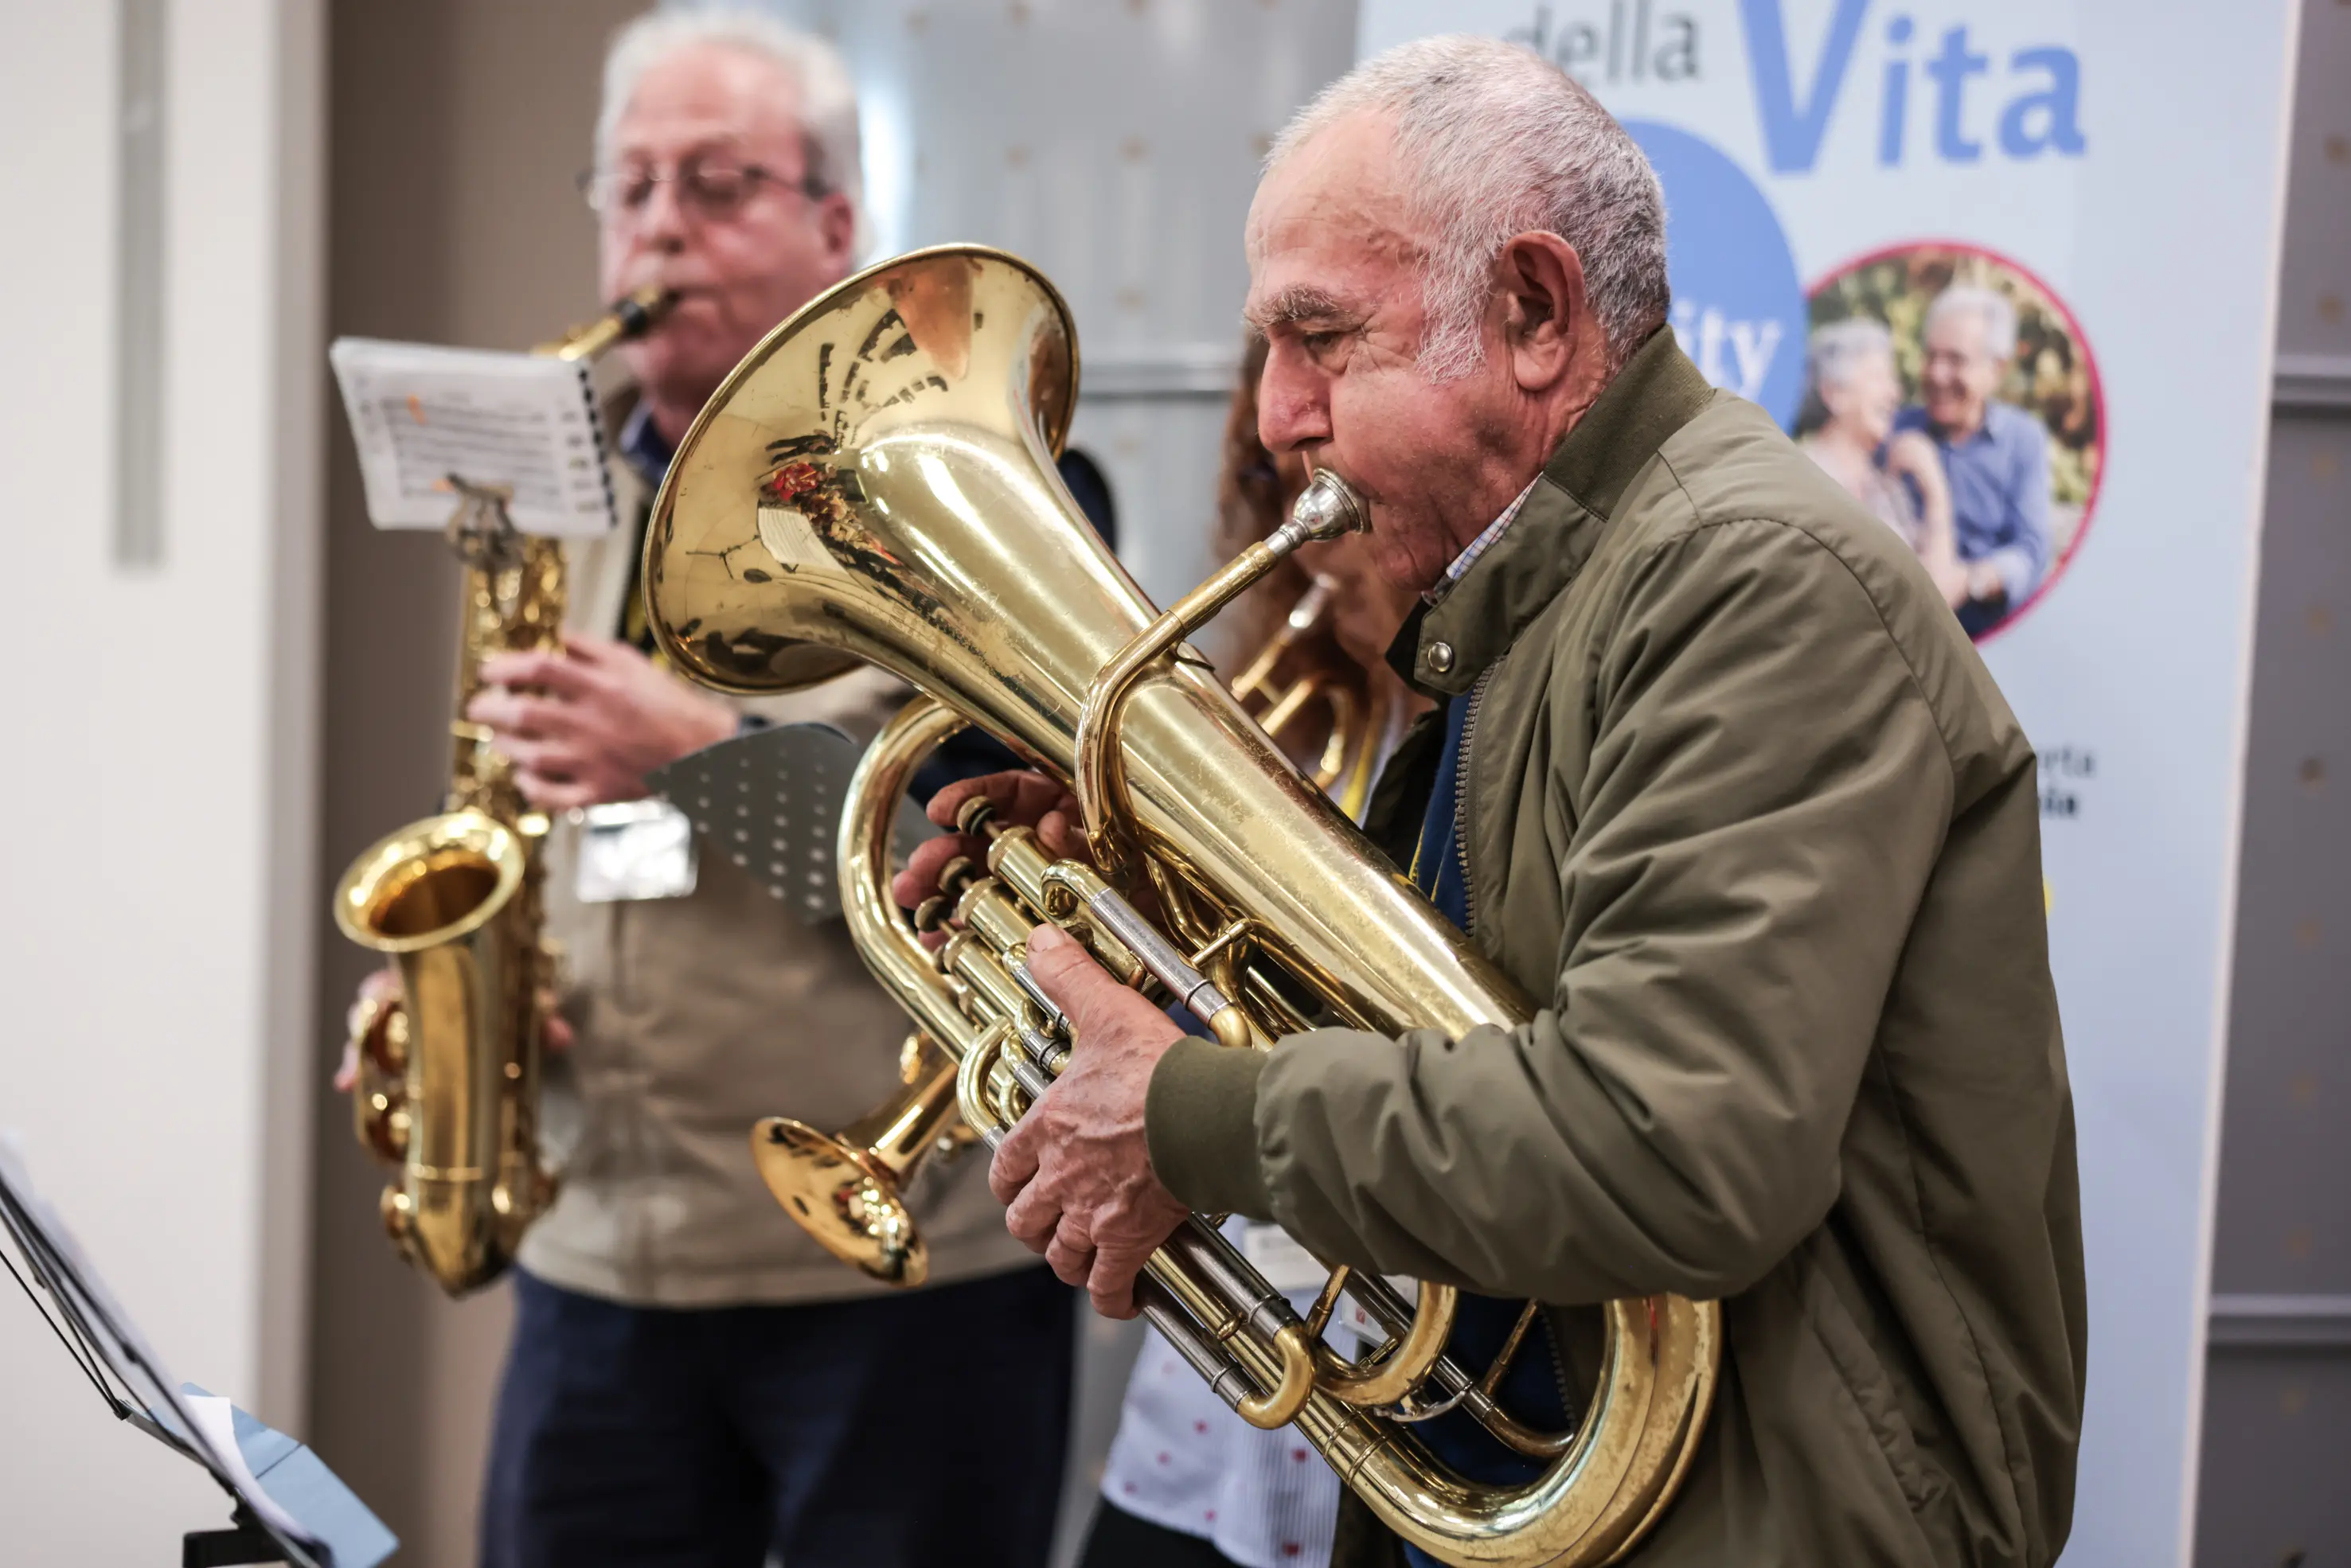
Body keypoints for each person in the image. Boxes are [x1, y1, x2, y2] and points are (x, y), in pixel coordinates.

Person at [904, 33, 2085, 1568]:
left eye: (1320, 339)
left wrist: (1189, 1113)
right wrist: (1149, 957)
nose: (1273, 415)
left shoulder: (1752, 584)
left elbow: (1668, 1145)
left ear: (1533, 314)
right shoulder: (1525, 592)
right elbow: (1472, 1053)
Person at [344, 14, 1084, 1566]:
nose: (659, 224)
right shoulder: (551, 504)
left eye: (716, 181)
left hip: (895, 1275)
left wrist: (692, 759)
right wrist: (454, 988)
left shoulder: (976, 485)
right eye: (629, 188)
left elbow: (983, 878)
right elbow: (519, 806)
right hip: (600, 1266)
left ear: (836, 225)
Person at [1079, 337, 1426, 1568]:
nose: (1291, 455)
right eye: (1269, 450)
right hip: (1228, 1343)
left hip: (1414, 1333)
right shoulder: (1258, 699)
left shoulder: (1493, 717)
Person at [1893, 284, 2055, 637]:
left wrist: (1971, 581)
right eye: (1931, 356)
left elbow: (2031, 551)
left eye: (1955, 360)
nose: (1937, 374)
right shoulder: (1897, 432)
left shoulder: (2022, 440)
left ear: (1997, 369)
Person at [1799, 318, 1968, 610]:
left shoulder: (1888, 487)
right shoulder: (1802, 475)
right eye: (1880, 377)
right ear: (1834, 394)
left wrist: (1936, 490)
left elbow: (1939, 599)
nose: (1895, 394)